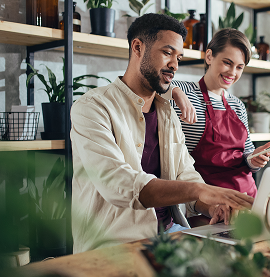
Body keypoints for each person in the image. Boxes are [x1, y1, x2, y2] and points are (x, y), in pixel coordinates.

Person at [70, 14, 254, 253]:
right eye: (167, 53)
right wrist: (202, 190)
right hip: (115, 247)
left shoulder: (167, 112)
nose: (175, 65)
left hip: (170, 235)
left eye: (178, 57)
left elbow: (185, 173)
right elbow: (118, 184)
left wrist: (211, 206)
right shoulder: (92, 107)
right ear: (138, 47)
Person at [169, 28, 270, 198]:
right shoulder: (184, 92)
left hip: (247, 196)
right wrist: (174, 91)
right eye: (227, 62)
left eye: (239, 67)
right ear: (209, 56)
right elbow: (151, 85)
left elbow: (246, 157)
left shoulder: (237, 105)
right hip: (207, 200)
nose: (232, 73)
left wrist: (254, 159)